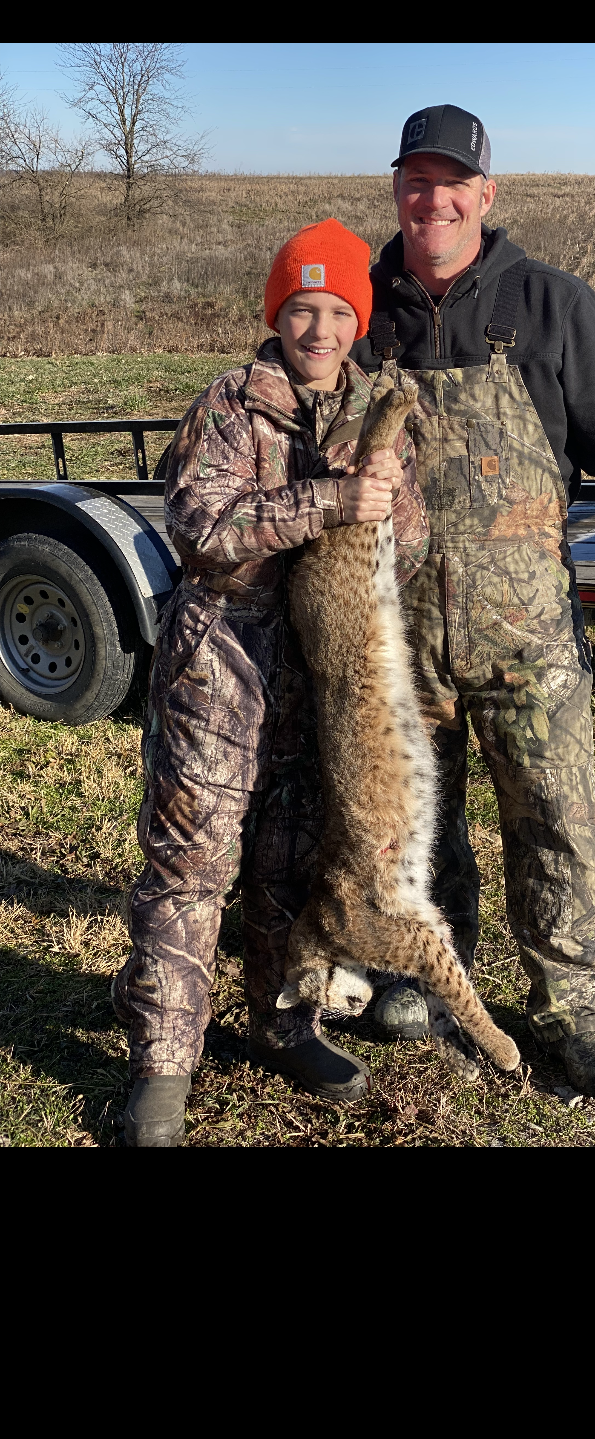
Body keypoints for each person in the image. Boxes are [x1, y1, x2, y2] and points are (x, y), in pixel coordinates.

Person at [351, 105, 595, 1095]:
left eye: (453, 183)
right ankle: (422, 974)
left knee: (557, 819)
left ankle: (580, 1008)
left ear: (485, 194)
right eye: (416, 180)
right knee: (413, 817)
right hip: (397, 628)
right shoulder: (358, 308)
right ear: (396, 189)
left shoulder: (551, 303)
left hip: (525, 630)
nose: (433, 200)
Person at [113, 218, 428, 1145]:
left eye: (337, 312)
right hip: (221, 666)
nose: (319, 330)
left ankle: (284, 1026)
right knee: (192, 868)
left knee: (290, 863)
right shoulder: (229, 404)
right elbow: (201, 529)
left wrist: (389, 497)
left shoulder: (378, 412)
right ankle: (162, 1071)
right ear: (274, 315)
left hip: (322, 679)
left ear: (358, 321)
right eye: (301, 309)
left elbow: (408, 551)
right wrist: (328, 500)